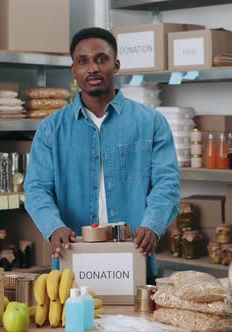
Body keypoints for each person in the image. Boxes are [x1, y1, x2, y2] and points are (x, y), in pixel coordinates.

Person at [24, 27, 181, 282]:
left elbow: (167, 183)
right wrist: (53, 227)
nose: (92, 68)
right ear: (73, 69)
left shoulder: (151, 123)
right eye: (82, 61)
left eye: (101, 59)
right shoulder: (51, 129)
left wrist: (152, 225)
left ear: (116, 65)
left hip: (134, 257)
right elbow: (37, 189)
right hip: (73, 260)